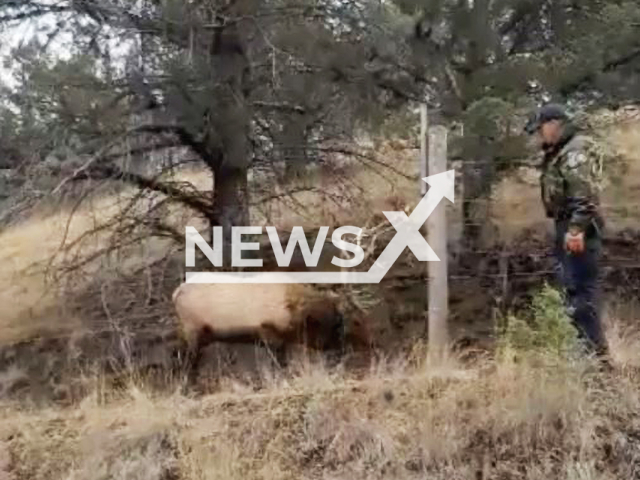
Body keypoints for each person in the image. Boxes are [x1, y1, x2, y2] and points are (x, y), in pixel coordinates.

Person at [524, 103, 609, 357]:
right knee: (572, 288)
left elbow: (585, 195)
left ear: (554, 124)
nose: (540, 135)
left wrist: (575, 230)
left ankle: (593, 355)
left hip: (578, 227)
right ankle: (584, 352)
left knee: (581, 290)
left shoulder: (576, 150)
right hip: (569, 224)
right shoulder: (562, 149)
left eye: (541, 130)